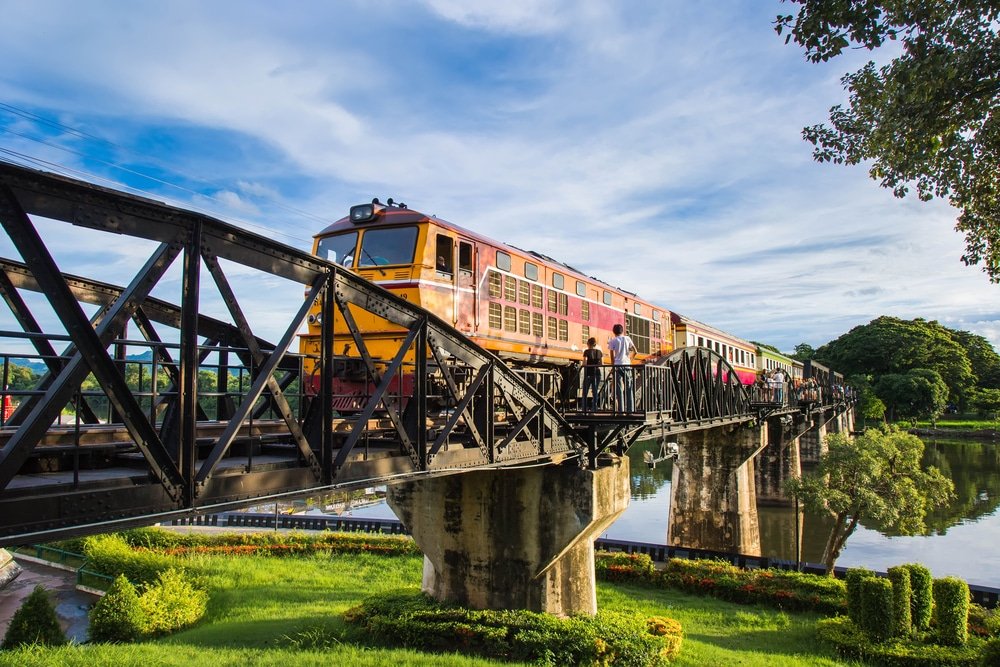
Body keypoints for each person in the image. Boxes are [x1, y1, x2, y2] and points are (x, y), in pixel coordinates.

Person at [607, 323, 636, 412]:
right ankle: (630, 410)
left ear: (613, 332)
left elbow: (612, 357)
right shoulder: (627, 338)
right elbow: (635, 351)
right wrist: (630, 359)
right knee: (629, 387)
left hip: (617, 366)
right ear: (622, 330)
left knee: (619, 389)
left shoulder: (612, 341)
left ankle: (621, 411)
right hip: (627, 366)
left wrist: (613, 366)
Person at [581, 337, 603, 412]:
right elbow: (601, 364)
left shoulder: (586, 352)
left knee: (585, 392)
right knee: (595, 391)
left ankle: (584, 409)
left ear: (588, 344)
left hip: (588, 374)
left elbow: (584, 363)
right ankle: (594, 408)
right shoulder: (599, 352)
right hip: (597, 373)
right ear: (595, 344)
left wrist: (584, 365)